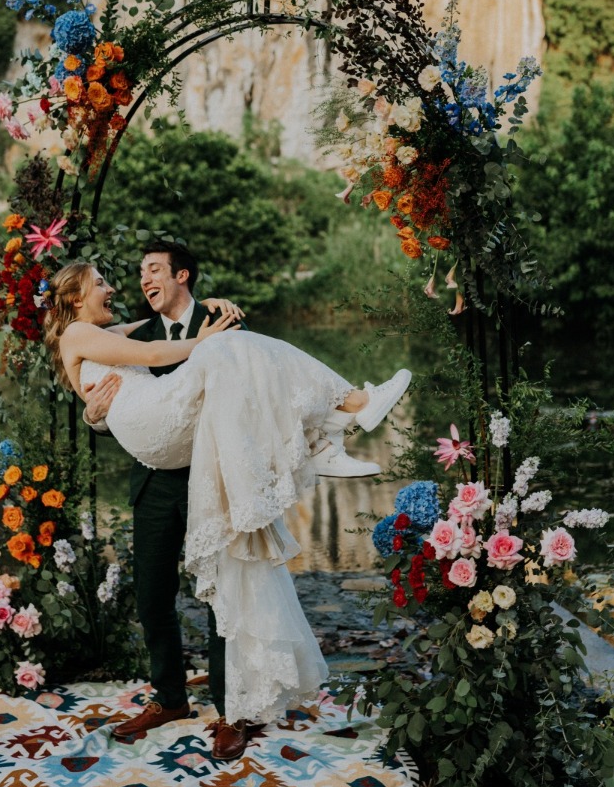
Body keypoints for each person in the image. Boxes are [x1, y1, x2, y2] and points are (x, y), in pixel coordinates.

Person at [44, 251, 411, 757]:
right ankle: (168, 698)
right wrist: (93, 416)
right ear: (76, 298)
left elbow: (261, 390)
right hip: (154, 479)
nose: (137, 281)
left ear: (182, 276)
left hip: (211, 476)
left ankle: (228, 710)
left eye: (152, 270)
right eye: (113, 279)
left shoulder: (219, 321)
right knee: (152, 598)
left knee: (225, 597)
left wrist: (215, 330)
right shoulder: (129, 336)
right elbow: (123, 393)